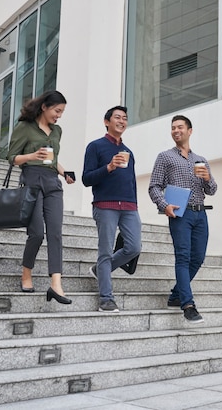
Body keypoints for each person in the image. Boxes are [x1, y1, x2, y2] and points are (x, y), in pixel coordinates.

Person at [7, 90, 75, 305]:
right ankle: (26, 272)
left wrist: (64, 173)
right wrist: (31, 156)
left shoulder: (57, 131)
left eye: (62, 112)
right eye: (57, 110)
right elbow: (11, 158)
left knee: (55, 233)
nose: (59, 115)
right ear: (44, 107)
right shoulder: (25, 128)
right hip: (32, 181)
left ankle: (56, 283)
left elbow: (52, 160)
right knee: (36, 233)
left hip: (52, 183)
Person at [149, 115, 218, 323]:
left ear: (190, 131)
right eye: (173, 128)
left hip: (201, 213)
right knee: (183, 257)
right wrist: (164, 205)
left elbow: (212, 190)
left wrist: (207, 178)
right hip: (180, 213)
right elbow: (154, 186)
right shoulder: (165, 157)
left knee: (198, 258)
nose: (176, 130)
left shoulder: (201, 160)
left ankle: (176, 294)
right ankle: (187, 305)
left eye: (180, 127)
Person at [82, 106, 142, 313]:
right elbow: (86, 179)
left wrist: (135, 204)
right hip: (105, 205)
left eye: (125, 118)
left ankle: (99, 271)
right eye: (117, 117)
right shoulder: (95, 147)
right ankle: (106, 299)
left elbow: (131, 182)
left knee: (134, 247)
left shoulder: (129, 153)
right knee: (105, 251)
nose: (122, 121)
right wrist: (108, 167)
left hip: (129, 207)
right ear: (106, 122)